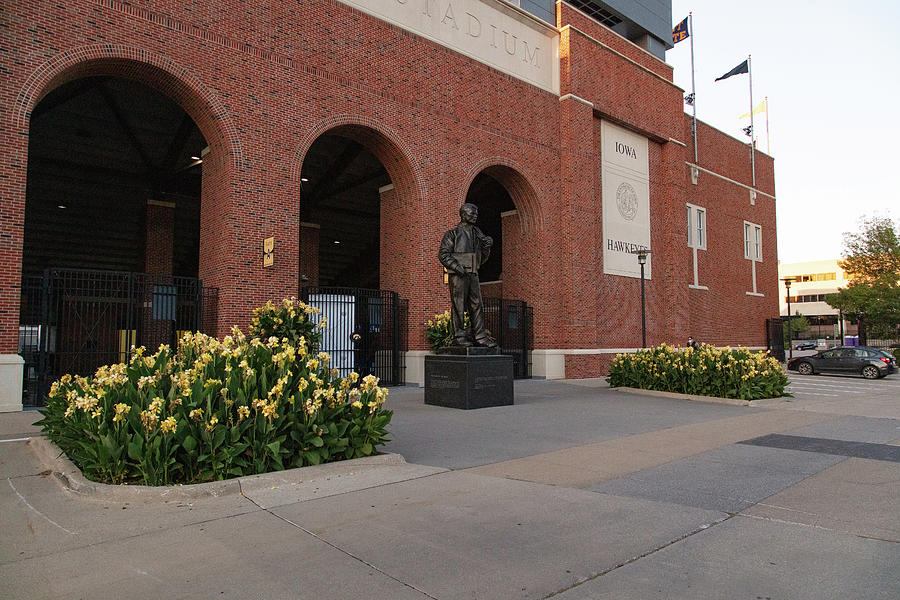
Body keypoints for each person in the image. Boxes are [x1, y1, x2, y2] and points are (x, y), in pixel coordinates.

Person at [438, 203, 497, 347]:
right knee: (458, 304)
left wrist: (486, 247)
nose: (475, 216)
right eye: (472, 214)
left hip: (473, 272)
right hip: (459, 275)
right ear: (463, 215)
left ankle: (480, 336)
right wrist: (457, 267)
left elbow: (482, 258)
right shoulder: (452, 234)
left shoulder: (478, 233)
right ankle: (459, 336)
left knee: (477, 304)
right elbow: (443, 254)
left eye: (476, 214)